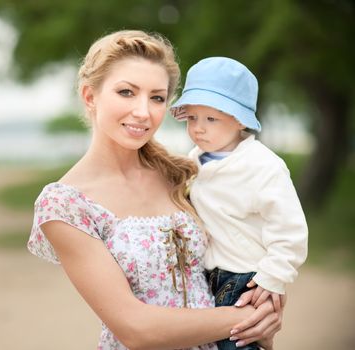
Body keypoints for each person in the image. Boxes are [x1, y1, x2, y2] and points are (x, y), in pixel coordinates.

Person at [28, 30, 282, 350]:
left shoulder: (182, 174)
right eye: (126, 92)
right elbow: (136, 329)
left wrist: (263, 325)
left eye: (157, 97)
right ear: (90, 96)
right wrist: (248, 319)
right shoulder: (65, 205)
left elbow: (240, 254)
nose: (143, 112)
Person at [170, 57, 308, 350]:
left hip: (245, 277)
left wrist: (273, 278)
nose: (198, 128)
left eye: (211, 119)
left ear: (239, 120)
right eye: (192, 118)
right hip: (207, 276)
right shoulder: (194, 161)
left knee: (238, 342)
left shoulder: (263, 166)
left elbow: (290, 231)